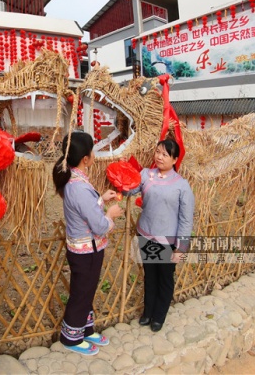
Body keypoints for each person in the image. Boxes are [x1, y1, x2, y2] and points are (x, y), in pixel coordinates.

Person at [52, 131, 122, 356]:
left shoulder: (75, 179)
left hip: (84, 249)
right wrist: (110, 214)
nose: (94, 154)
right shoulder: (79, 187)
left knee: (87, 291)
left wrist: (101, 199)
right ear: (85, 158)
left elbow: (84, 209)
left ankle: (85, 329)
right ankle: (71, 338)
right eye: (92, 150)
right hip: (86, 252)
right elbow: (99, 226)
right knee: (81, 293)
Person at [133, 138, 194, 332]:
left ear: (175, 160)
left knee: (165, 279)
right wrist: (123, 176)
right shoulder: (146, 174)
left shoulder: (182, 185)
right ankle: (148, 312)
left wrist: (181, 248)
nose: (159, 157)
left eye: (165, 154)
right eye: (158, 152)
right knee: (150, 276)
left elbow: (186, 219)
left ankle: (159, 316)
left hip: (167, 241)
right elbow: (130, 189)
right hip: (146, 234)